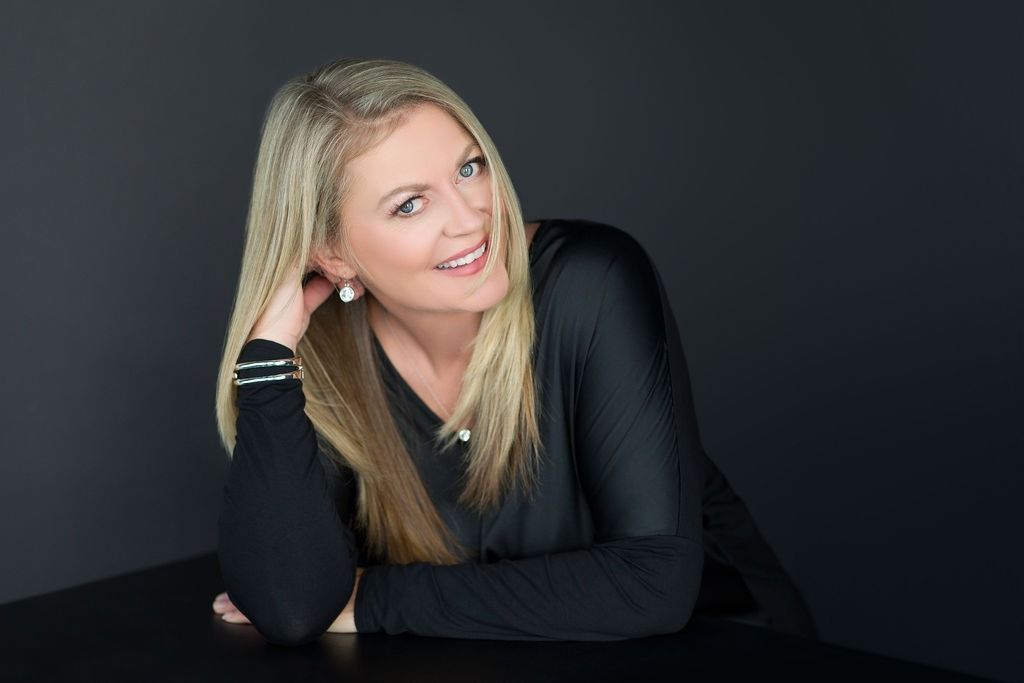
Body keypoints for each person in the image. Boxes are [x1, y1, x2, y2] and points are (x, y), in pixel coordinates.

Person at [212, 57, 818, 644]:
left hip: (724, 649)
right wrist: (266, 362)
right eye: (410, 204)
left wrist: (367, 598)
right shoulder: (317, 359)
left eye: (469, 169)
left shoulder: (593, 281)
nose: (472, 219)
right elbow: (291, 610)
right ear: (334, 255)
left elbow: (651, 584)